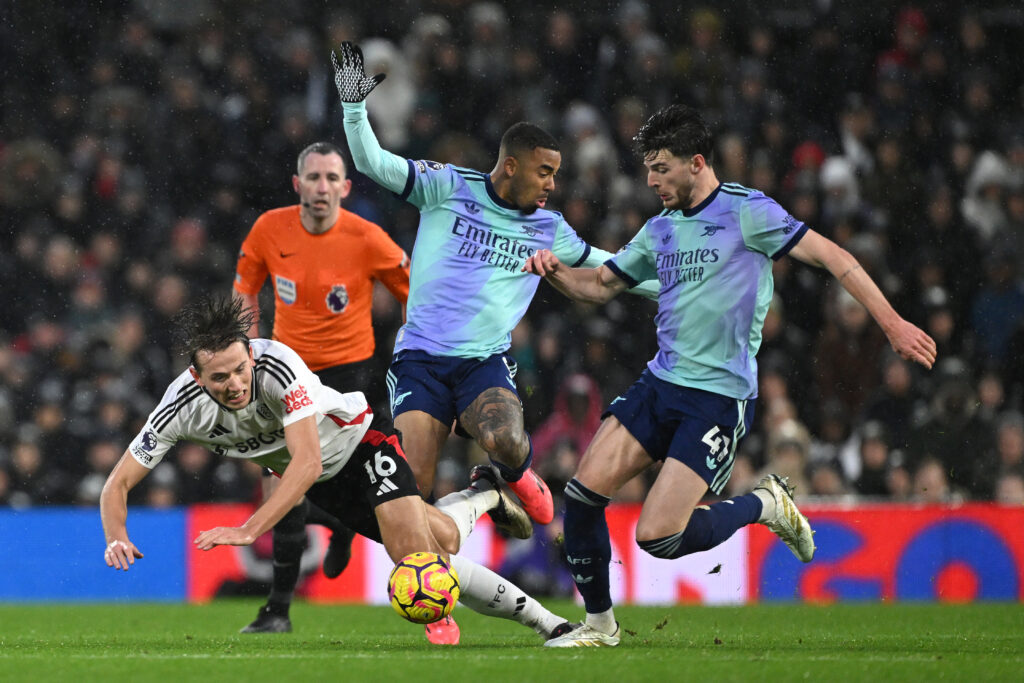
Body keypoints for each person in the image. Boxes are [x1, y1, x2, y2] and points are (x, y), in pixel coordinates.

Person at [524, 104, 937, 647]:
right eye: (648, 169)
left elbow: (836, 257)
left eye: (661, 168)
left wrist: (892, 324)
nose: (651, 181)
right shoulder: (659, 230)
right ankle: (599, 627)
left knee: (658, 537)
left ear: (696, 163)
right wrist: (555, 274)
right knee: (580, 497)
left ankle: (764, 504)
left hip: (716, 398)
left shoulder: (749, 213)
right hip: (660, 383)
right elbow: (599, 285)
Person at [100, 296, 574, 644]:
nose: (235, 383)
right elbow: (117, 483)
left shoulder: (278, 368)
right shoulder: (179, 408)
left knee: (426, 561)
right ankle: (488, 492)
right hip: (326, 484)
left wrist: (250, 529)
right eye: (219, 378)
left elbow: (303, 462)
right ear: (197, 378)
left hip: (363, 444)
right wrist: (116, 534)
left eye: (240, 369)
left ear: (251, 356)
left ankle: (549, 625)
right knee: (445, 538)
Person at [330, 40, 657, 517]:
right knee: (412, 491)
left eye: (555, 174)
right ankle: (483, 499)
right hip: (420, 358)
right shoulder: (447, 186)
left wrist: (684, 285)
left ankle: (512, 475)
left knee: (504, 437)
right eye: (544, 172)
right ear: (510, 167)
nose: (551, 184)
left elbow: (610, 267)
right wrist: (354, 109)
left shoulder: (549, 228)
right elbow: (372, 162)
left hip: (482, 362)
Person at [232, 141, 410, 633]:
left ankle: (340, 524)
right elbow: (245, 284)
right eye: (313, 177)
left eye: (332, 178)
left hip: (349, 373)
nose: (322, 187)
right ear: (297, 185)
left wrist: (414, 351)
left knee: (338, 478)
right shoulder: (270, 229)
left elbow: (410, 288)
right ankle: (278, 610)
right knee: (280, 479)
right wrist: (248, 347)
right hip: (287, 370)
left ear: (346, 188)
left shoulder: (367, 237)